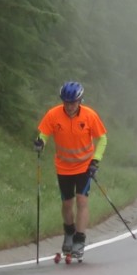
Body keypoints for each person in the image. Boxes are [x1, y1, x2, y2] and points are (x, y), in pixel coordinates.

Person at [34, 81, 107, 257]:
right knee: (67, 204)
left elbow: (102, 139)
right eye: (66, 102)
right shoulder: (53, 114)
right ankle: (69, 232)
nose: (69, 106)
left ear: (80, 101)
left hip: (84, 166)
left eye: (73, 102)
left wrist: (95, 161)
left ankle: (79, 240)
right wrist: (40, 142)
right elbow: (43, 132)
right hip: (63, 167)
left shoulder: (89, 116)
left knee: (82, 201)